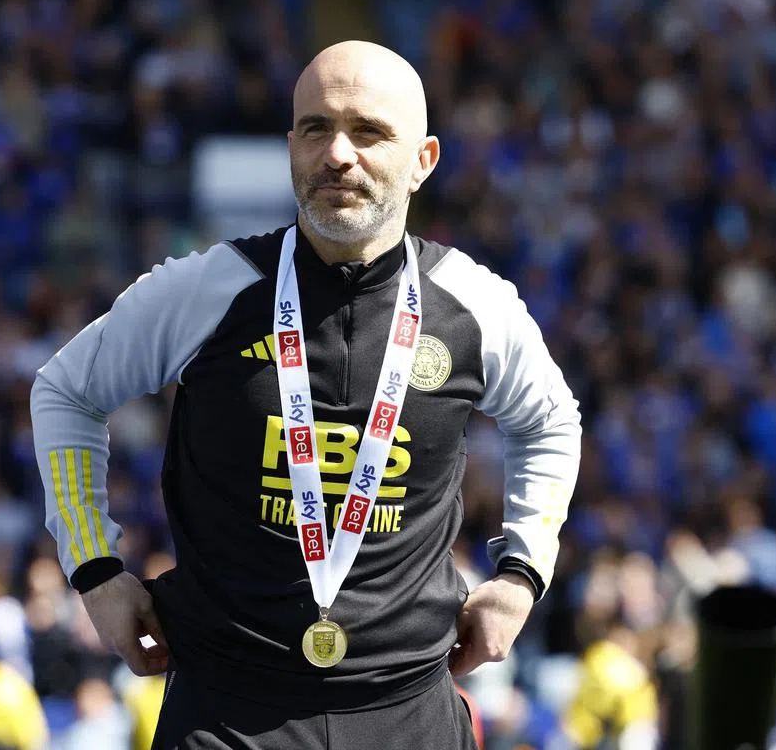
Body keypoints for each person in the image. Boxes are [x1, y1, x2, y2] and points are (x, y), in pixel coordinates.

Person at [31, 40, 581, 749]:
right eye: (316, 128)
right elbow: (64, 391)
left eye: (369, 131)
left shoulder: (474, 305)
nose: (338, 154)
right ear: (290, 145)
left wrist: (522, 572)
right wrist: (95, 569)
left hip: (409, 709)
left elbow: (551, 421)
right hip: (225, 714)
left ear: (424, 160)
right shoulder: (207, 289)